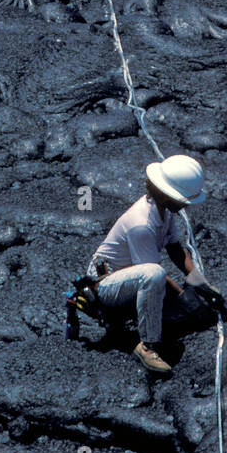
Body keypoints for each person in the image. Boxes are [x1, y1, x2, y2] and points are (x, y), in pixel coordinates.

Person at [87, 154, 209, 375]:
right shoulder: (141, 224)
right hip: (105, 285)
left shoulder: (164, 211)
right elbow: (154, 274)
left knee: (169, 296)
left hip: (130, 277)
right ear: (165, 195)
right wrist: (185, 298)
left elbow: (174, 248)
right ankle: (147, 344)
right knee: (155, 275)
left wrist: (200, 282)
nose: (184, 205)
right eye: (182, 199)